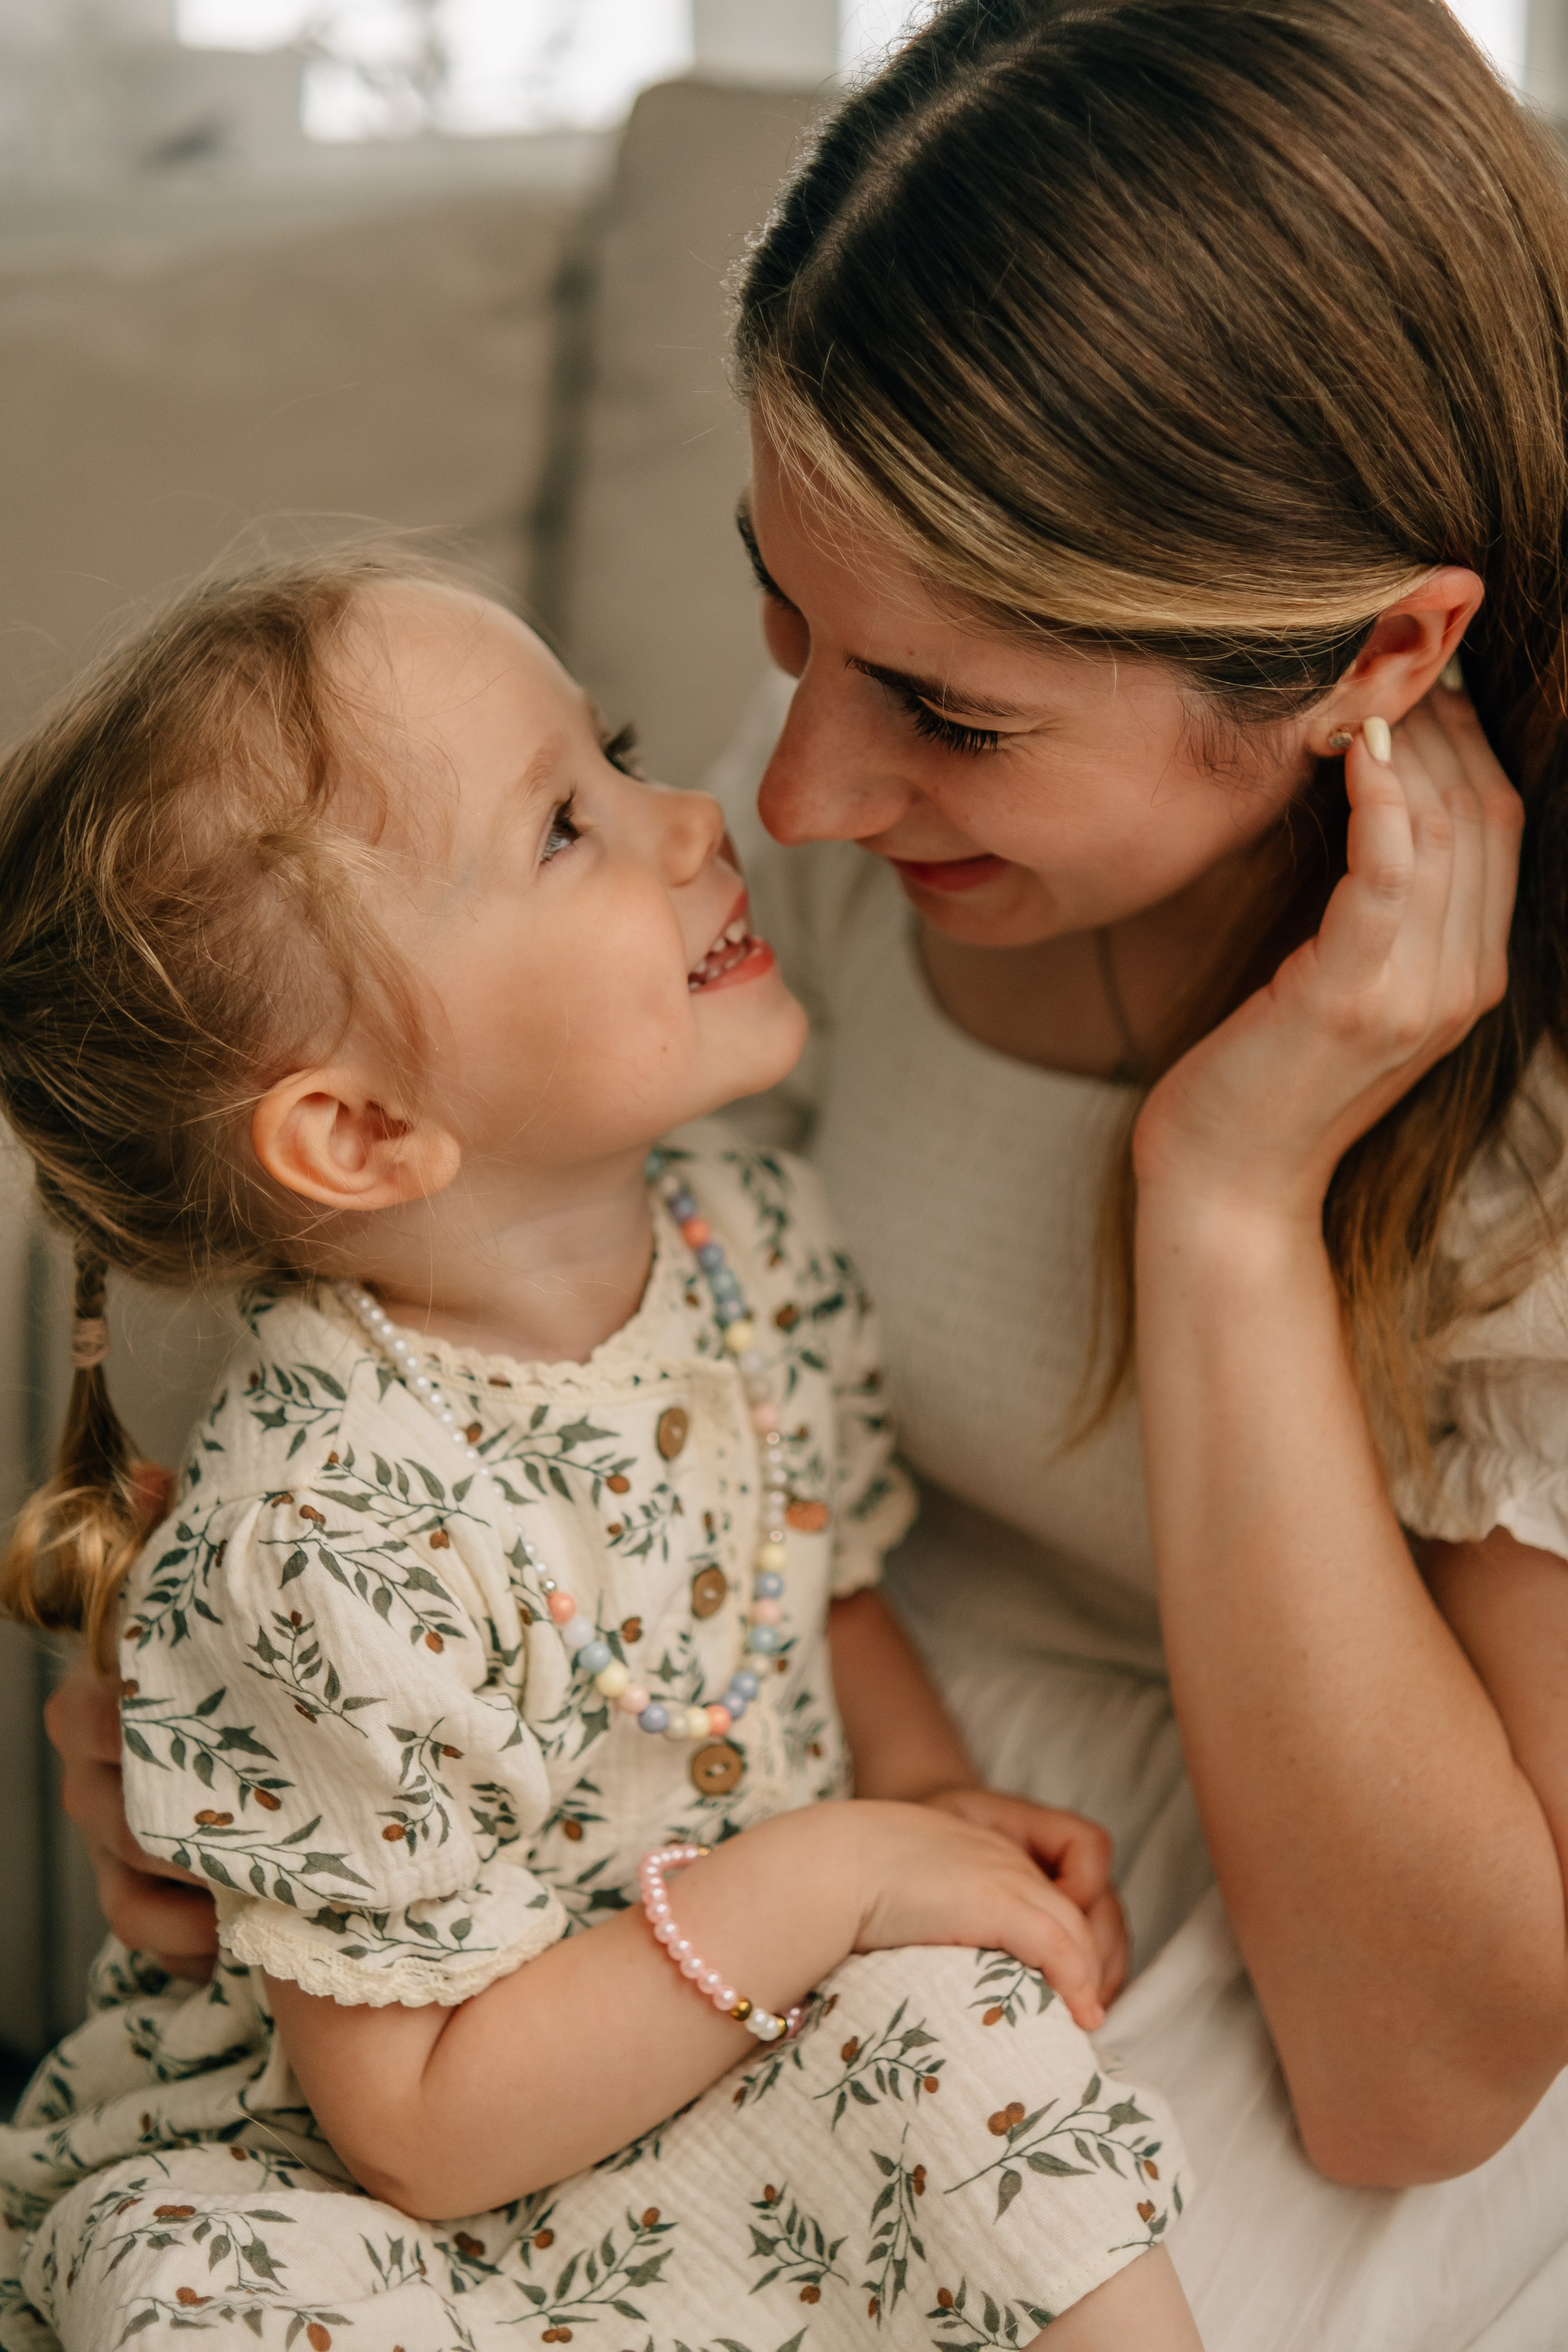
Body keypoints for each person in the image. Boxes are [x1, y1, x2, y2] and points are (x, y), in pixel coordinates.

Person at [39, 0, 1568, 2341]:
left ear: (1383, 657)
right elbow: (504, 1306)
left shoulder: (1523, 1118)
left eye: (952, 714)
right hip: (724, 1861)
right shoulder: (821, 848)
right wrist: (233, 1740)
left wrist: (1229, 1205)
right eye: (779, 609)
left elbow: (1417, 2080)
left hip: (1204, 1972)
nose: (796, 795)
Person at [0, 555, 1202, 2350]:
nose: (698, 817)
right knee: (181, 2284)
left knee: (973, 2035)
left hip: (736, 2045)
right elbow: (414, 2130)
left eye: (619, 753)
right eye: (567, 825)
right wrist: (842, 1871)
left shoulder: (752, 1251)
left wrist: (928, 1799)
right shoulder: (318, 1537)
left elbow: (821, 1578)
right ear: (361, 1130)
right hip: (369, 2175)